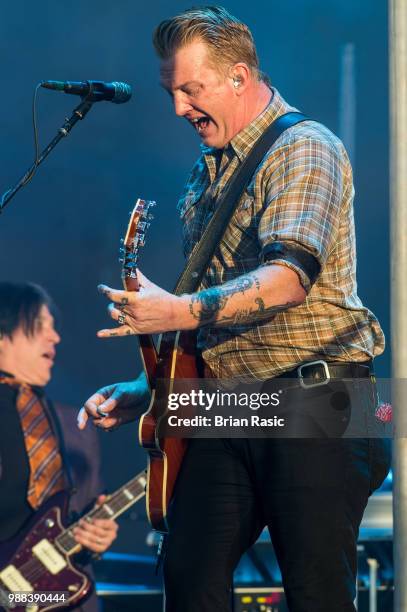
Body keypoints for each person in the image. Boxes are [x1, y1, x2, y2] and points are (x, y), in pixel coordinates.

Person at [78, 6, 391, 611]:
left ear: (240, 77)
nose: (178, 109)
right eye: (172, 92)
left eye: (191, 90)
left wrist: (175, 312)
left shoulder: (305, 148)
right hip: (226, 403)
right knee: (190, 573)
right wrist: (152, 385)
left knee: (316, 594)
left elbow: (287, 280)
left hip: (317, 399)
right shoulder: (204, 176)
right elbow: (212, 319)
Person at [0, 281, 118, 612]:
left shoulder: (77, 426)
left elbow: (90, 510)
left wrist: (99, 537)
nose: (55, 338)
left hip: (64, 598)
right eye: (40, 327)